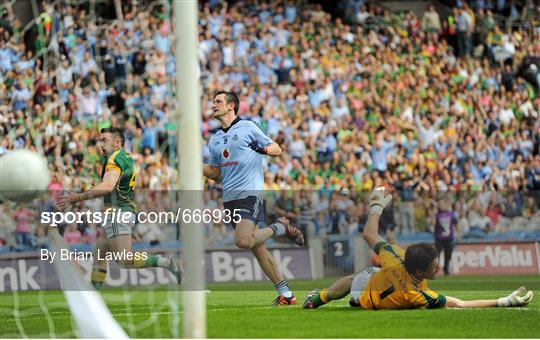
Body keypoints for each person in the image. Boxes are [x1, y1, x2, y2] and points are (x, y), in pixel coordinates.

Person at [303, 187, 534, 309]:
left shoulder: (394, 256)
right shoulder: (418, 295)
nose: (437, 270)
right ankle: (329, 297)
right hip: (373, 300)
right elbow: (462, 304)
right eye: (434, 268)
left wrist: (376, 207)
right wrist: (503, 301)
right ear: (419, 272)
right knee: (363, 279)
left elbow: (368, 233)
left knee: (358, 277)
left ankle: (319, 299)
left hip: (368, 288)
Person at [204, 90, 303, 305]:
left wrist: (262, 148)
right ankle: (287, 294)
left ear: (231, 106)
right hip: (229, 198)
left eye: (218, 101)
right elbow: (216, 172)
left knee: (242, 240)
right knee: (256, 247)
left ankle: (281, 228)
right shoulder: (215, 139)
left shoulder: (248, 127)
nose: (213, 105)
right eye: (213, 102)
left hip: (249, 192)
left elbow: (277, 149)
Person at [57, 127, 182, 290]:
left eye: (104, 140)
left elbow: (108, 187)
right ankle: (93, 294)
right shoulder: (126, 158)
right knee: (100, 253)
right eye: (100, 140)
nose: (100, 144)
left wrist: (77, 197)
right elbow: (118, 187)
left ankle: (167, 262)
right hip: (120, 212)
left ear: (117, 143)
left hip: (117, 213)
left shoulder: (114, 160)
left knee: (124, 260)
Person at [434, 198, 458, 275]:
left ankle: (446, 269)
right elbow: (433, 224)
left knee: (448, 255)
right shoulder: (436, 215)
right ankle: (436, 270)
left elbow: (456, 223)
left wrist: (458, 233)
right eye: (439, 204)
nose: (440, 206)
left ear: (445, 205)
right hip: (439, 239)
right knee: (437, 255)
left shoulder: (451, 214)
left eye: (441, 204)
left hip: (449, 238)